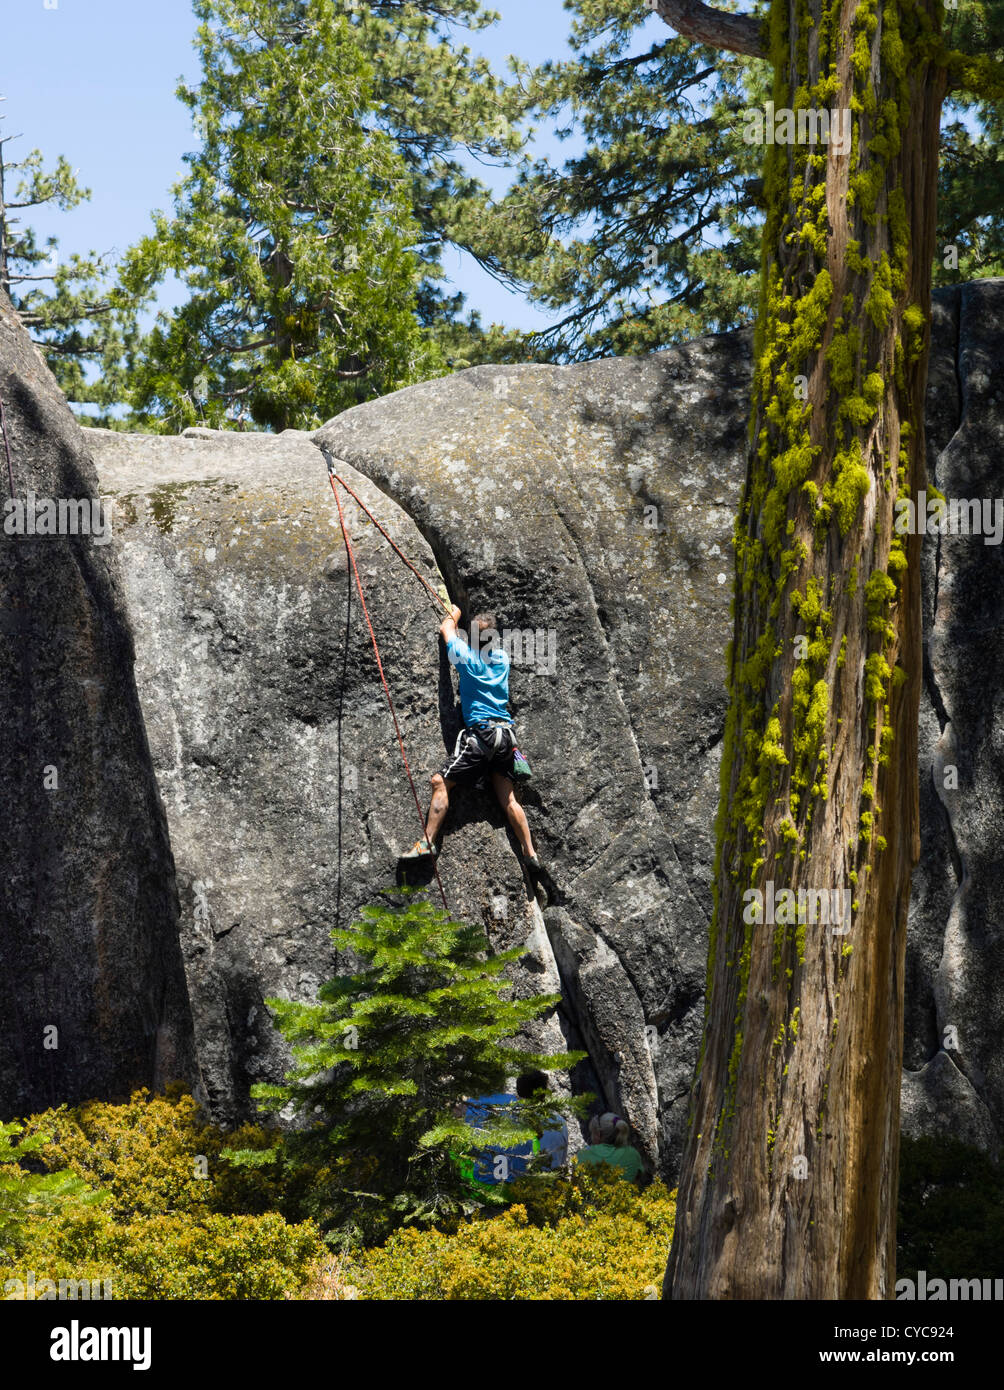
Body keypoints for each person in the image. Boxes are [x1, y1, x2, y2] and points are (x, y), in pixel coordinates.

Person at [402, 605, 552, 897]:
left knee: (440, 781)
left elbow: (446, 629)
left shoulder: (467, 657)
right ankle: (530, 853)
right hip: (506, 737)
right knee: (508, 798)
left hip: (481, 735)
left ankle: (429, 840)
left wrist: (454, 613)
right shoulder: (502, 659)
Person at [575, 1112, 644, 1181]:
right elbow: (639, 1178)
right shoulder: (632, 1154)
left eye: (592, 1132)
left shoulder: (583, 1155)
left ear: (598, 1134)